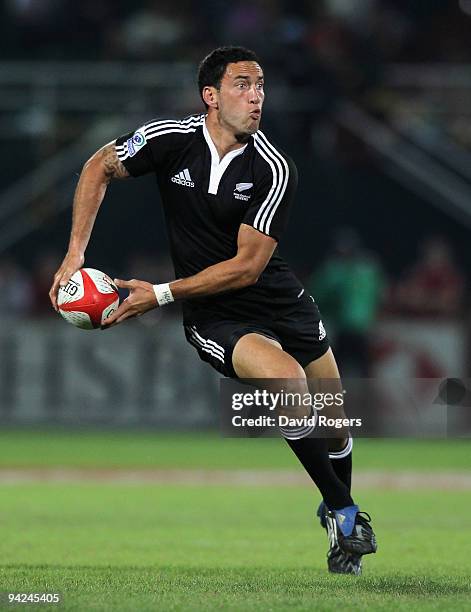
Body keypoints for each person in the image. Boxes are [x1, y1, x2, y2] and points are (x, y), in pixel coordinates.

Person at [49, 46, 376, 575]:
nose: (257, 97)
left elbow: (248, 268)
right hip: (214, 314)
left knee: (334, 425)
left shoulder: (273, 166)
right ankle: (343, 512)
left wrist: (156, 294)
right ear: (211, 95)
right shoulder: (168, 140)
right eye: (243, 84)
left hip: (277, 297)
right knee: (289, 385)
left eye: (262, 85)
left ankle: (336, 506)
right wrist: (75, 254)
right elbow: (97, 167)